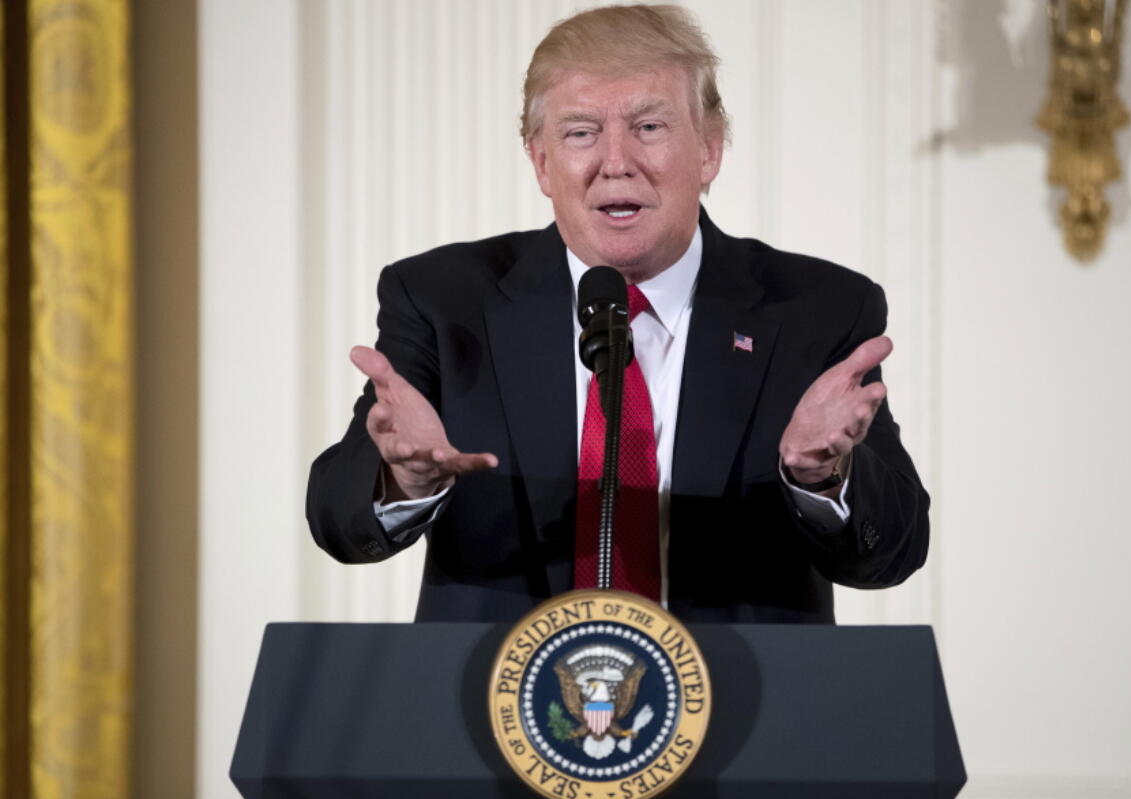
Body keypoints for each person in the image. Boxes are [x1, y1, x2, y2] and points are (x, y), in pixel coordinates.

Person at [306, 4, 928, 623]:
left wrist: (823, 480)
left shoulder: (818, 309)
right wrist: (403, 482)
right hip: (497, 701)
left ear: (709, 150)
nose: (615, 161)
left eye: (649, 127)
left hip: (742, 704)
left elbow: (894, 550)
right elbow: (337, 518)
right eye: (580, 132)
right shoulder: (445, 301)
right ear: (543, 163)